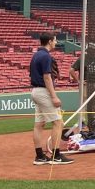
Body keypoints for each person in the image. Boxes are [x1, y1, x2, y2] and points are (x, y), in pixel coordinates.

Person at [29, 33, 73, 164]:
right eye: (54, 41)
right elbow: (47, 77)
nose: (56, 43)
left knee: (39, 124)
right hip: (43, 91)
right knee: (58, 122)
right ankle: (56, 155)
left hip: (35, 91)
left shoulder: (36, 54)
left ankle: (39, 156)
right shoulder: (45, 56)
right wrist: (54, 96)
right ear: (49, 41)